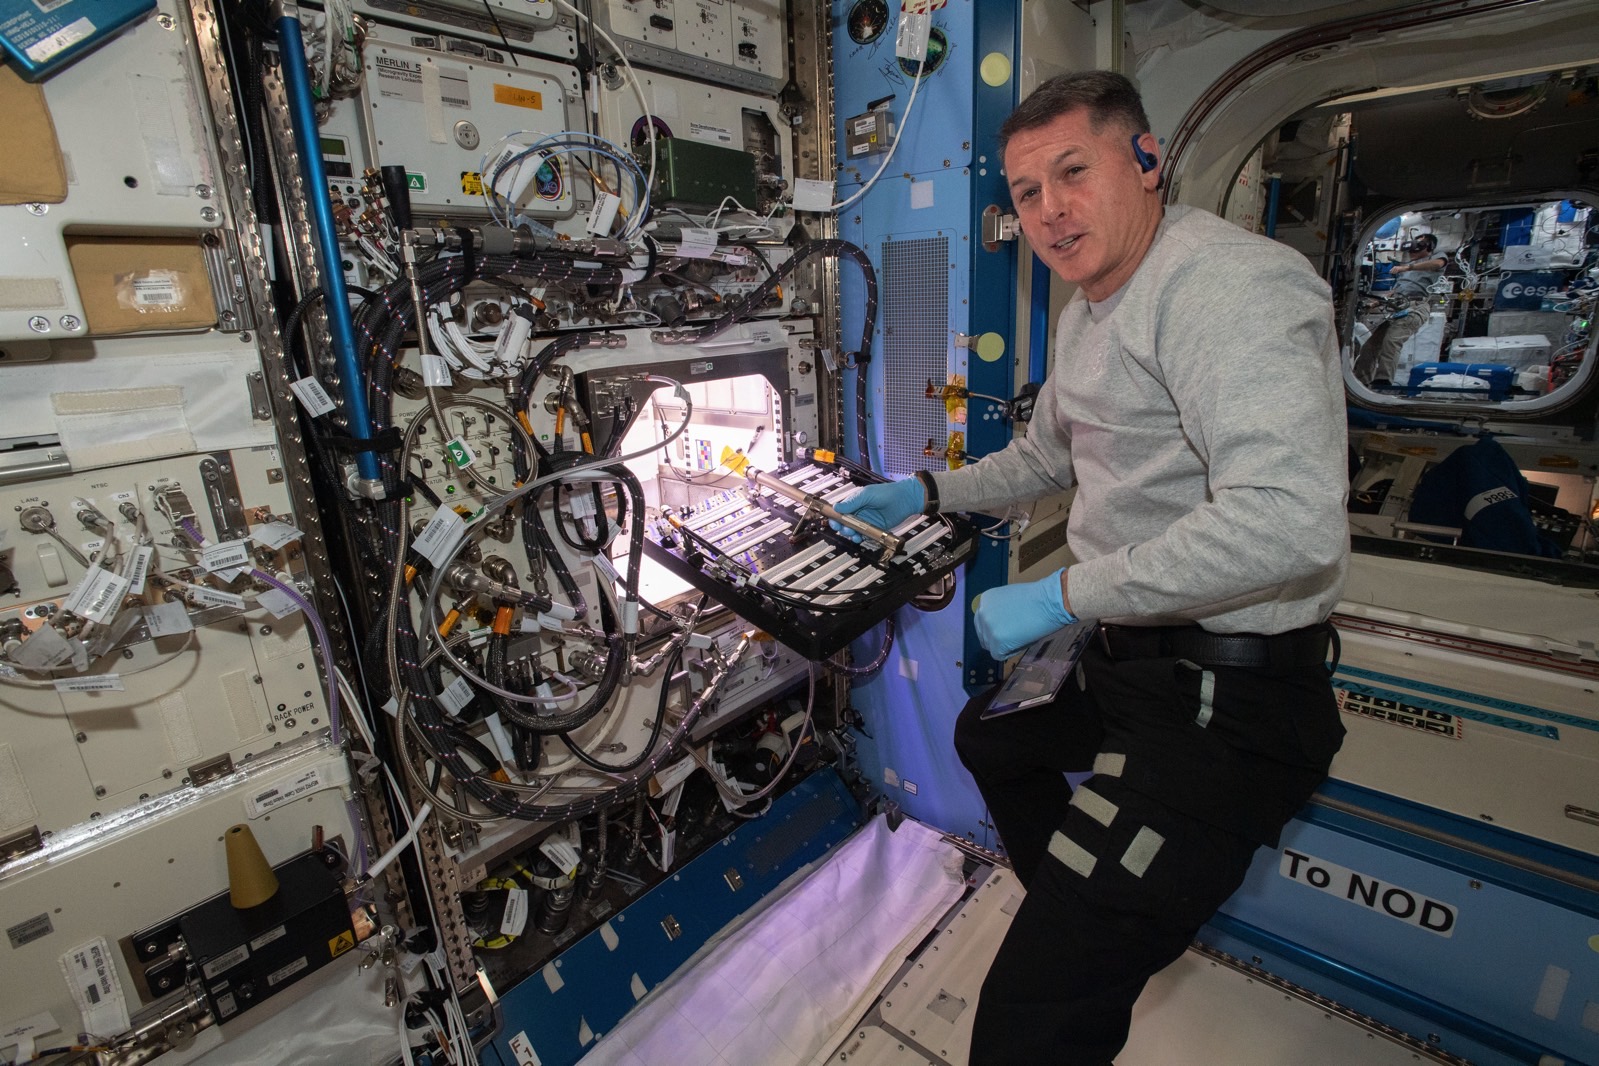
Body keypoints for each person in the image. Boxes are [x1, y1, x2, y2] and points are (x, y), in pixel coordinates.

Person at [834, 71, 1350, 1065]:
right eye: (1027, 192)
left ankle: (1085, 934)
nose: (1050, 210)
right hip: (1131, 657)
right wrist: (927, 493)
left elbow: (1289, 526)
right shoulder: (1086, 311)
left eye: (1074, 172)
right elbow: (1046, 460)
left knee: (1029, 1014)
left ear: (1147, 161)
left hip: (1228, 698)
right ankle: (1093, 908)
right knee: (992, 738)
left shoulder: (1226, 290)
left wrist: (1062, 593)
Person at [1365, 232, 1447, 386]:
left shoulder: (1433, 259)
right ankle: (1360, 381)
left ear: (1429, 247)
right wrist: (1374, 303)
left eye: (1418, 246)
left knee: (1392, 341)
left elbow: (1437, 264)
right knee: (1371, 346)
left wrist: (1407, 267)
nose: (1412, 251)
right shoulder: (1406, 271)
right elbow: (1395, 291)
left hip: (1415, 307)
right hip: (1398, 307)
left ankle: (1383, 382)